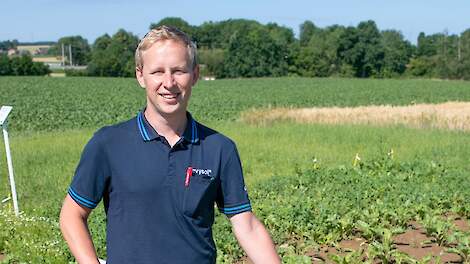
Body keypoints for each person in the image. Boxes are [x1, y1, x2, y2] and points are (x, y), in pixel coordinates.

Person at [59, 25, 280, 264]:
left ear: (194, 75)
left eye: (178, 71)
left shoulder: (219, 148)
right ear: (140, 76)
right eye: (157, 72)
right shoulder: (109, 143)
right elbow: (72, 215)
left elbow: (246, 225)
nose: (169, 82)